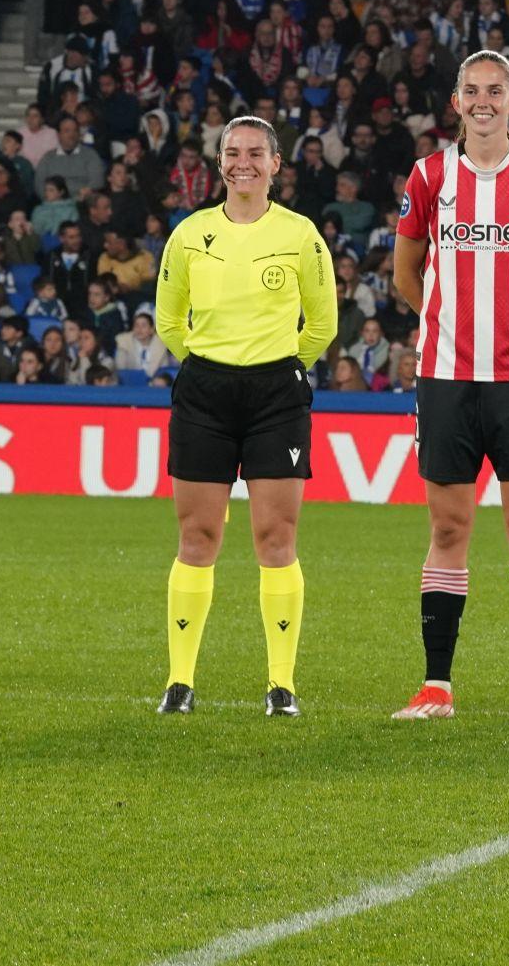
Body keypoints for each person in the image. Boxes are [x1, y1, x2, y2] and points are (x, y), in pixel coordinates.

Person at [389, 50, 509, 724]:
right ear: (455, 102)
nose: (482, 100)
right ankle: (436, 686)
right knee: (448, 525)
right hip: (444, 377)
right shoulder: (429, 175)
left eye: (494, 90)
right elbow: (406, 273)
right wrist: (446, 323)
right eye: (470, 90)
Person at [152, 116, 339, 717]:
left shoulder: (303, 234)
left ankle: (281, 684)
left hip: (275, 396)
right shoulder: (189, 234)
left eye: (256, 154)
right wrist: (211, 368)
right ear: (219, 162)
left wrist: (279, 368)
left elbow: (324, 324)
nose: (243, 164)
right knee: (197, 537)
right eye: (233, 153)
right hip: (204, 391)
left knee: (275, 537)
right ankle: (180, 681)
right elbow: (169, 322)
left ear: (276, 164)